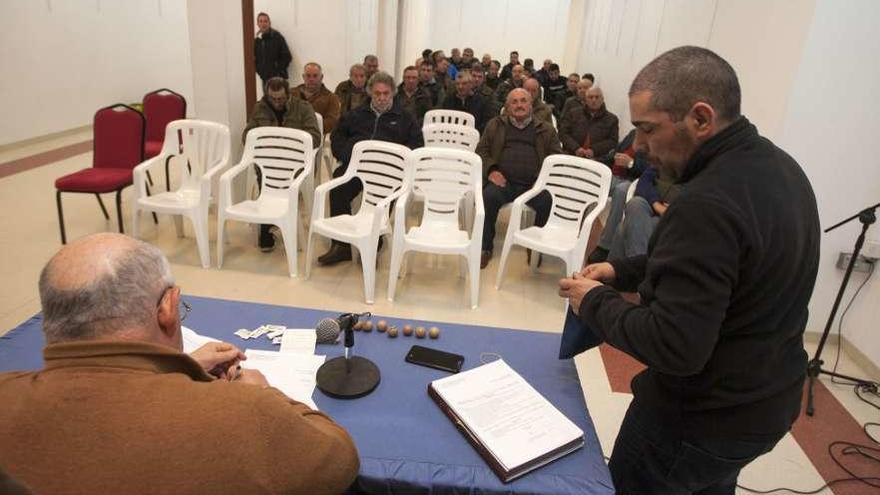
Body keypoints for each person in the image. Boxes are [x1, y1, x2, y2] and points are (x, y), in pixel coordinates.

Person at [558, 46, 820, 494]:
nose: (638, 146)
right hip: (762, 406)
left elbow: (674, 345)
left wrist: (594, 301)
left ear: (700, 118)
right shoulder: (781, 168)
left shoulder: (706, 203)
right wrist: (621, 271)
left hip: (696, 422)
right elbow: (729, 272)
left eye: (647, 129)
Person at [0, 233, 360, 495]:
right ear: (167, 310)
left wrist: (172, 367)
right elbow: (339, 459)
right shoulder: (246, 412)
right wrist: (267, 395)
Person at [321, 72, 424, 265]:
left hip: (388, 174)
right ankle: (341, 245)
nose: (382, 98)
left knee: (380, 201)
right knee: (337, 186)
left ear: (393, 93)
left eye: (386, 93)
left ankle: (373, 242)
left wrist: (397, 164)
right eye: (377, 93)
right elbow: (337, 137)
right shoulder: (355, 114)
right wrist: (346, 156)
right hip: (356, 168)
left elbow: (417, 146)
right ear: (370, 93)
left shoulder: (405, 118)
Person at [476, 88, 562, 268]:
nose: (519, 105)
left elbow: (555, 158)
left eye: (523, 101)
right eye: (514, 102)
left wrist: (540, 180)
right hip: (503, 182)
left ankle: (535, 246)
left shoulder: (546, 129)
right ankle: (485, 247)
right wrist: (492, 170)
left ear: (531, 105)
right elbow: (481, 151)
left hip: (534, 186)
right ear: (507, 107)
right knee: (488, 197)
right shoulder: (495, 125)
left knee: (547, 200)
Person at [243, 77, 321, 252]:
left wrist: (290, 143)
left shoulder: (302, 108)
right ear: (267, 95)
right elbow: (247, 136)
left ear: (288, 94)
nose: (277, 102)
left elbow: (315, 137)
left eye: (281, 99)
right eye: (273, 99)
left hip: (295, 161)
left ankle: (270, 223)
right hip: (268, 162)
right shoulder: (260, 108)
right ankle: (269, 222)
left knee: (280, 182)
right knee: (267, 175)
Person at [586, 128, 650, 263]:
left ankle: (604, 247)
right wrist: (596, 162)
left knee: (622, 190)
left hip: (631, 180)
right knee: (587, 179)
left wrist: (631, 164)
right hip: (613, 175)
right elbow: (615, 152)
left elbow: (651, 170)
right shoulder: (633, 133)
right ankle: (573, 232)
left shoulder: (655, 140)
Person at [607, 164, 681, 260]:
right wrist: (656, 204)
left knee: (622, 229)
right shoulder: (665, 162)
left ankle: (632, 269)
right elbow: (643, 182)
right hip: (653, 207)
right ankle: (639, 268)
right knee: (636, 202)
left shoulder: (699, 171)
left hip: (678, 217)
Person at [559, 86, 618, 159]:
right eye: (590, 97)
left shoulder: (612, 119)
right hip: (571, 155)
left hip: (597, 159)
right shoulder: (573, 113)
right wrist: (576, 148)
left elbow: (613, 141)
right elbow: (563, 133)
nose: (594, 100)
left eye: (597, 97)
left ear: (602, 99)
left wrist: (594, 150)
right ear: (585, 100)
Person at [292, 62, 341, 136]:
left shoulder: (332, 98)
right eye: (308, 76)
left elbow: (331, 123)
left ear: (321, 77)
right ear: (303, 77)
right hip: (291, 135)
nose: (311, 79)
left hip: (316, 137)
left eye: (315, 76)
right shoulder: (291, 94)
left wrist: (307, 127)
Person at [254, 12, 293, 87]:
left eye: (265, 21)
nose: (263, 23)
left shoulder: (277, 37)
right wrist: (259, 71)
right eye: (260, 21)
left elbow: (287, 57)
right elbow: (255, 58)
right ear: (257, 24)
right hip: (264, 78)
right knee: (267, 98)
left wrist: (276, 71)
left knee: (279, 98)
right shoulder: (257, 40)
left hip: (278, 78)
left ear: (269, 23)